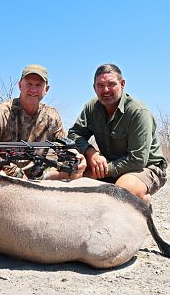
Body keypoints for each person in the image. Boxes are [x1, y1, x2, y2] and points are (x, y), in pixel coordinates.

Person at [68, 63, 167, 205]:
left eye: (111, 84)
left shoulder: (138, 112)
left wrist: (102, 170)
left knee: (119, 193)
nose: (106, 90)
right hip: (111, 164)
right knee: (69, 175)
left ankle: (142, 204)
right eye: (100, 85)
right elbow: (74, 134)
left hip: (146, 168)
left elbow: (138, 159)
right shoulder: (91, 107)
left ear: (122, 84)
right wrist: (91, 152)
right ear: (94, 87)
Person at [0, 64, 86, 180]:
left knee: (76, 172)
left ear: (46, 89)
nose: (33, 90)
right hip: (6, 174)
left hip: (38, 176)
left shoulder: (51, 116)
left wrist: (74, 156)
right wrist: (14, 172)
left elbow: (62, 147)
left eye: (38, 85)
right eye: (29, 84)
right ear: (20, 85)